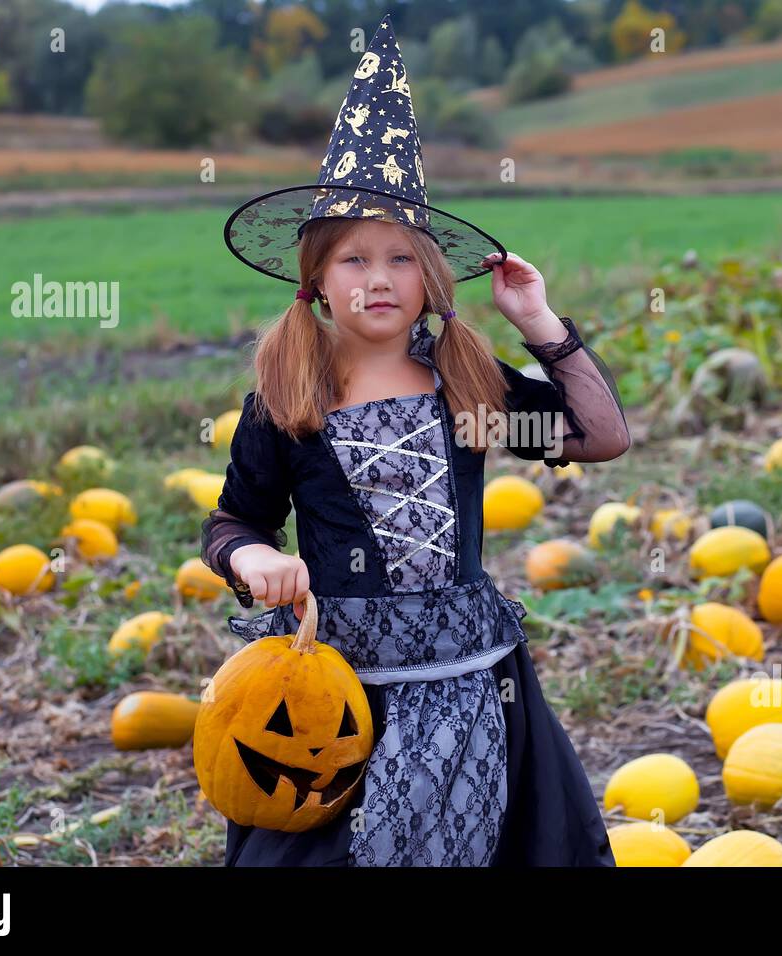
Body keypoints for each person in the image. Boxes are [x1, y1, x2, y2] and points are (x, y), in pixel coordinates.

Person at [200, 13, 630, 867]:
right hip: (339, 689)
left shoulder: (465, 383)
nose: (378, 280)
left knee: (470, 839)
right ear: (317, 280)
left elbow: (599, 433)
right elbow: (231, 521)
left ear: (430, 278)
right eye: (353, 260)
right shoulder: (287, 400)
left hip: (469, 678)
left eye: (400, 259)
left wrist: (539, 323)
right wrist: (252, 562)